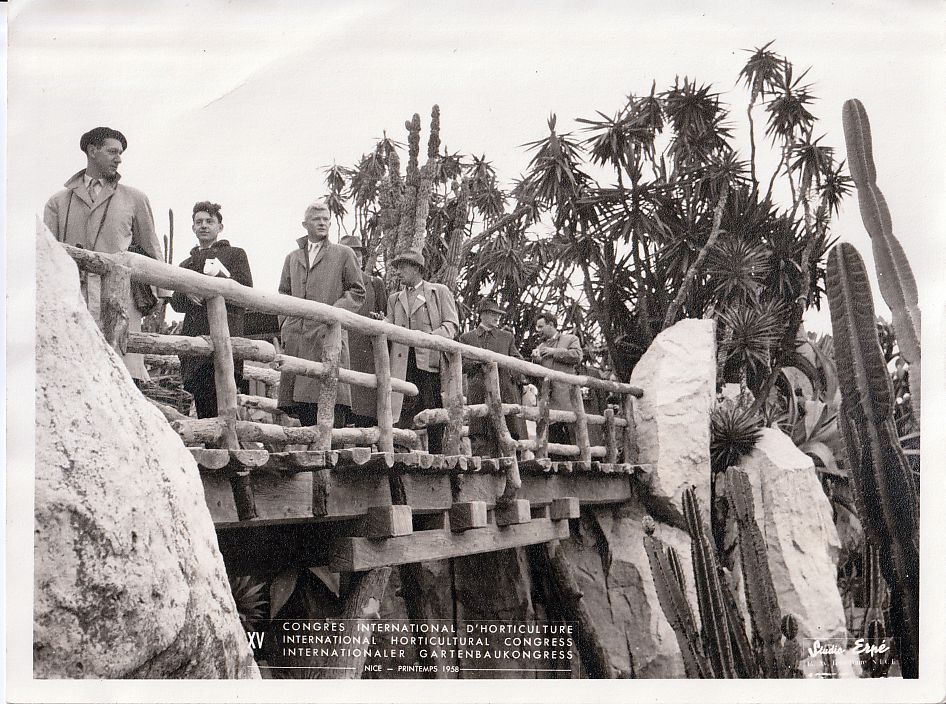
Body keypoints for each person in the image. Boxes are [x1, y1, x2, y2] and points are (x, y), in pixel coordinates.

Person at [43, 126, 163, 382]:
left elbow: (152, 248)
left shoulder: (134, 198)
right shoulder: (58, 203)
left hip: (121, 299)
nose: (118, 158)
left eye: (120, 153)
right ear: (92, 150)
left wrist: (163, 294)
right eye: (112, 151)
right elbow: (47, 257)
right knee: (78, 370)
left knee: (124, 374)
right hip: (75, 297)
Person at [276, 202, 366, 427]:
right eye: (317, 219)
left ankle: (332, 458)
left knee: (331, 402)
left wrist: (332, 315)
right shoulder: (293, 258)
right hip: (298, 341)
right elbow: (283, 294)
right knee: (303, 407)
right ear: (305, 224)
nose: (323, 223)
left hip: (328, 337)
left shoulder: (343, 254)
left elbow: (357, 291)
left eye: (326, 219)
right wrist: (287, 325)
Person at [169, 202, 253, 418]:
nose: (204, 226)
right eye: (199, 222)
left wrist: (216, 284)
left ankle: (229, 449)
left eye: (209, 221)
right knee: (204, 404)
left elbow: (245, 290)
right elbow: (176, 302)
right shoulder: (186, 263)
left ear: (220, 227)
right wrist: (188, 293)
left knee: (225, 400)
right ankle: (212, 447)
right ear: (193, 228)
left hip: (226, 338)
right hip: (196, 341)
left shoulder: (235, 255)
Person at [385, 250, 459, 454]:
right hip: (402, 362)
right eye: (397, 268)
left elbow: (451, 325)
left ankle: (437, 455)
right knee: (401, 406)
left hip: (429, 361)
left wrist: (428, 340)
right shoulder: (394, 299)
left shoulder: (438, 292)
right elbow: (390, 326)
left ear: (417, 269)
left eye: (403, 267)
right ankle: (399, 453)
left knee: (432, 405)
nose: (398, 273)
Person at [459, 298, 527, 457]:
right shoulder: (467, 338)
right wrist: (479, 362)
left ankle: (512, 475)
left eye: (498, 314)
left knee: (508, 437)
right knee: (480, 437)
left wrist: (512, 372)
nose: (496, 318)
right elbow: (461, 365)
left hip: (504, 392)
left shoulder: (506, 337)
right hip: (478, 393)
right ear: (482, 315)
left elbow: (519, 363)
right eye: (492, 314)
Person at [339, 235, 387, 428]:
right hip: (342, 349)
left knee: (365, 411)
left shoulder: (375, 284)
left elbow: (384, 317)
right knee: (340, 405)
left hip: (365, 355)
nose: (355, 259)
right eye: (349, 255)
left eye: (358, 255)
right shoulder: (334, 286)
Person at [530, 311, 583, 448]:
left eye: (541, 327)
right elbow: (537, 375)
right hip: (548, 399)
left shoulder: (570, 339)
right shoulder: (540, 347)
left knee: (573, 436)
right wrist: (536, 361)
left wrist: (555, 352)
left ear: (551, 325)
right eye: (537, 327)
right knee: (552, 441)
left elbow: (577, 356)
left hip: (567, 398)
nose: (538, 330)